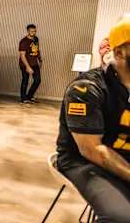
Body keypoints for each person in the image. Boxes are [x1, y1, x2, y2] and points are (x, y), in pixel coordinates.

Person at [55, 16, 130, 221]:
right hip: (83, 160)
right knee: (121, 217)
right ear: (119, 52)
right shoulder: (86, 88)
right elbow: (92, 149)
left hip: (121, 152)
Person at [19, 24, 42, 103]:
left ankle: (29, 96)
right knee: (25, 80)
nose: (34, 33)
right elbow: (22, 55)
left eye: (35, 31)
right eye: (32, 31)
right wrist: (27, 67)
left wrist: (40, 59)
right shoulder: (24, 41)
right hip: (25, 64)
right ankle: (23, 98)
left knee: (37, 80)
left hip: (34, 63)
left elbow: (37, 50)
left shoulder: (36, 39)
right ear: (28, 31)